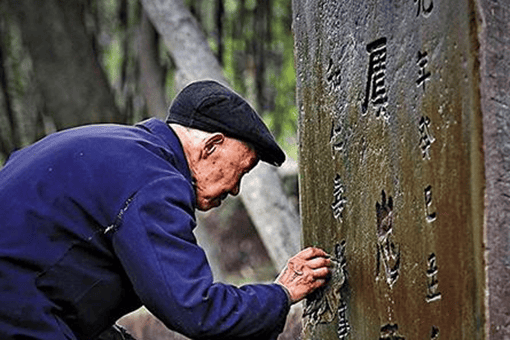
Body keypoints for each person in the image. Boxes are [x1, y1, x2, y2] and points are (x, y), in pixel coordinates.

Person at [0, 80, 331, 340]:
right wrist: (282, 293)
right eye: (239, 171)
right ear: (211, 145)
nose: (234, 189)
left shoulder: (122, 148)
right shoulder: (153, 179)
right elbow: (194, 310)